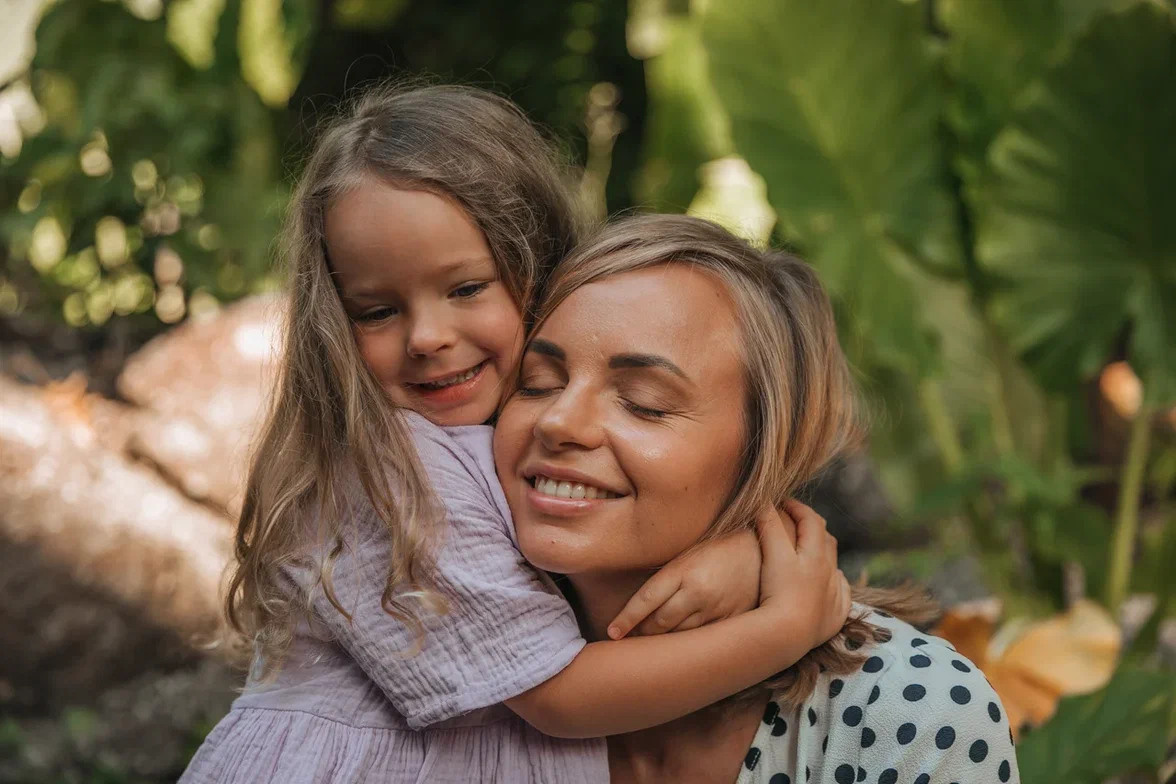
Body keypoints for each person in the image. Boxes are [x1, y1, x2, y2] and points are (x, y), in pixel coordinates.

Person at [181, 85, 851, 783]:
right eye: (377, 311)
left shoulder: (522, 437)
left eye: (466, 289)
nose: (428, 338)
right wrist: (782, 628)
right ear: (332, 326)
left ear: (540, 271)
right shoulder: (396, 471)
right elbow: (560, 698)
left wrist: (740, 552)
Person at [494, 213, 1021, 784]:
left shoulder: (909, 713)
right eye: (537, 382)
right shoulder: (447, 669)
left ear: (764, 452)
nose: (559, 420)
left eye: (643, 402)